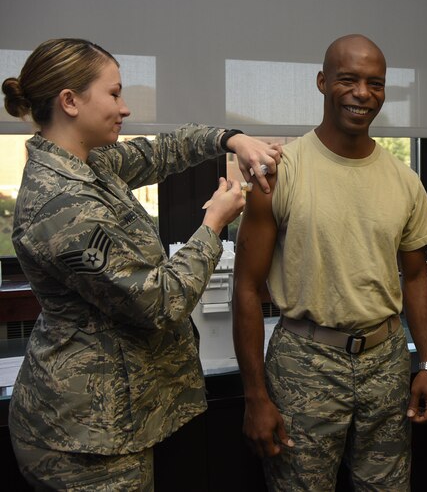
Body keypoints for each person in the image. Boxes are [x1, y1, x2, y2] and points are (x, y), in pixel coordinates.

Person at [2, 38, 280, 490]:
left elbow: (164, 151)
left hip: (113, 421)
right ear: (69, 101)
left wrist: (233, 139)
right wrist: (213, 224)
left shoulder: (90, 162)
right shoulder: (62, 203)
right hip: (84, 439)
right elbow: (159, 301)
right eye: (114, 94)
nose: (125, 107)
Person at [232, 34, 427, 490]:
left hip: (385, 365)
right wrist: (254, 397)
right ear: (323, 82)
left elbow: (416, 278)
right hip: (304, 364)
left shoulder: (406, 182)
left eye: (375, 84)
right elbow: (245, 289)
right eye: (348, 80)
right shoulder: (281, 171)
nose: (363, 94)